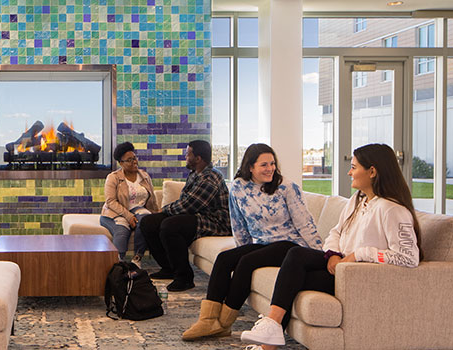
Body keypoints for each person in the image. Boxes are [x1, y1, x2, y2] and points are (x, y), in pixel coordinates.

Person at [240, 144, 422, 350]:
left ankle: (269, 336)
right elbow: (336, 231)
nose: (349, 172)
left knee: (292, 278)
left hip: (358, 275)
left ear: (372, 171)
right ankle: (271, 331)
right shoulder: (358, 199)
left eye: (354, 167)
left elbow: (409, 257)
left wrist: (359, 254)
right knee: (295, 256)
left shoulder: (392, 209)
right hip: (342, 265)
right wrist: (333, 254)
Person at [182, 143, 322, 341]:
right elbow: (238, 225)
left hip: (289, 245)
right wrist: (243, 250)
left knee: (247, 263)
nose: (270, 168)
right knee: (224, 258)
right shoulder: (238, 187)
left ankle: (223, 323)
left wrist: (320, 254)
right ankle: (208, 319)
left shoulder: (287, 187)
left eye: (272, 163)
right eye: (264, 165)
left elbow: (305, 223)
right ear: (250, 167)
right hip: (263, 243)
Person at [139, 140, 231, 291]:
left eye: (188, 154)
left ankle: (185, 278)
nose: (185, 157)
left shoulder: (210, 177)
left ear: (198, 158)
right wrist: (164, 212)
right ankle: (169, 268)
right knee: (148, 222)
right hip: (199, 216)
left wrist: (164, 210)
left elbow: (189, 205)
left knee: (170, 226)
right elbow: (185, 203)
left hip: (216, 222)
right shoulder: (195, 174)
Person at [100, 142, 160, 267]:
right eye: (129, 160)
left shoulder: (144, 176)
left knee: (146, 221)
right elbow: (110, 201)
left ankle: (137, 259)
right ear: (121, 163)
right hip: (115, 212)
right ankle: (118, 263)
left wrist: (156, 215)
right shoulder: (113, 177)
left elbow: (152, 199)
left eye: (134, 158)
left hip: (138, 210)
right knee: (122, 229)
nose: (134, 162)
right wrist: (128, 216)